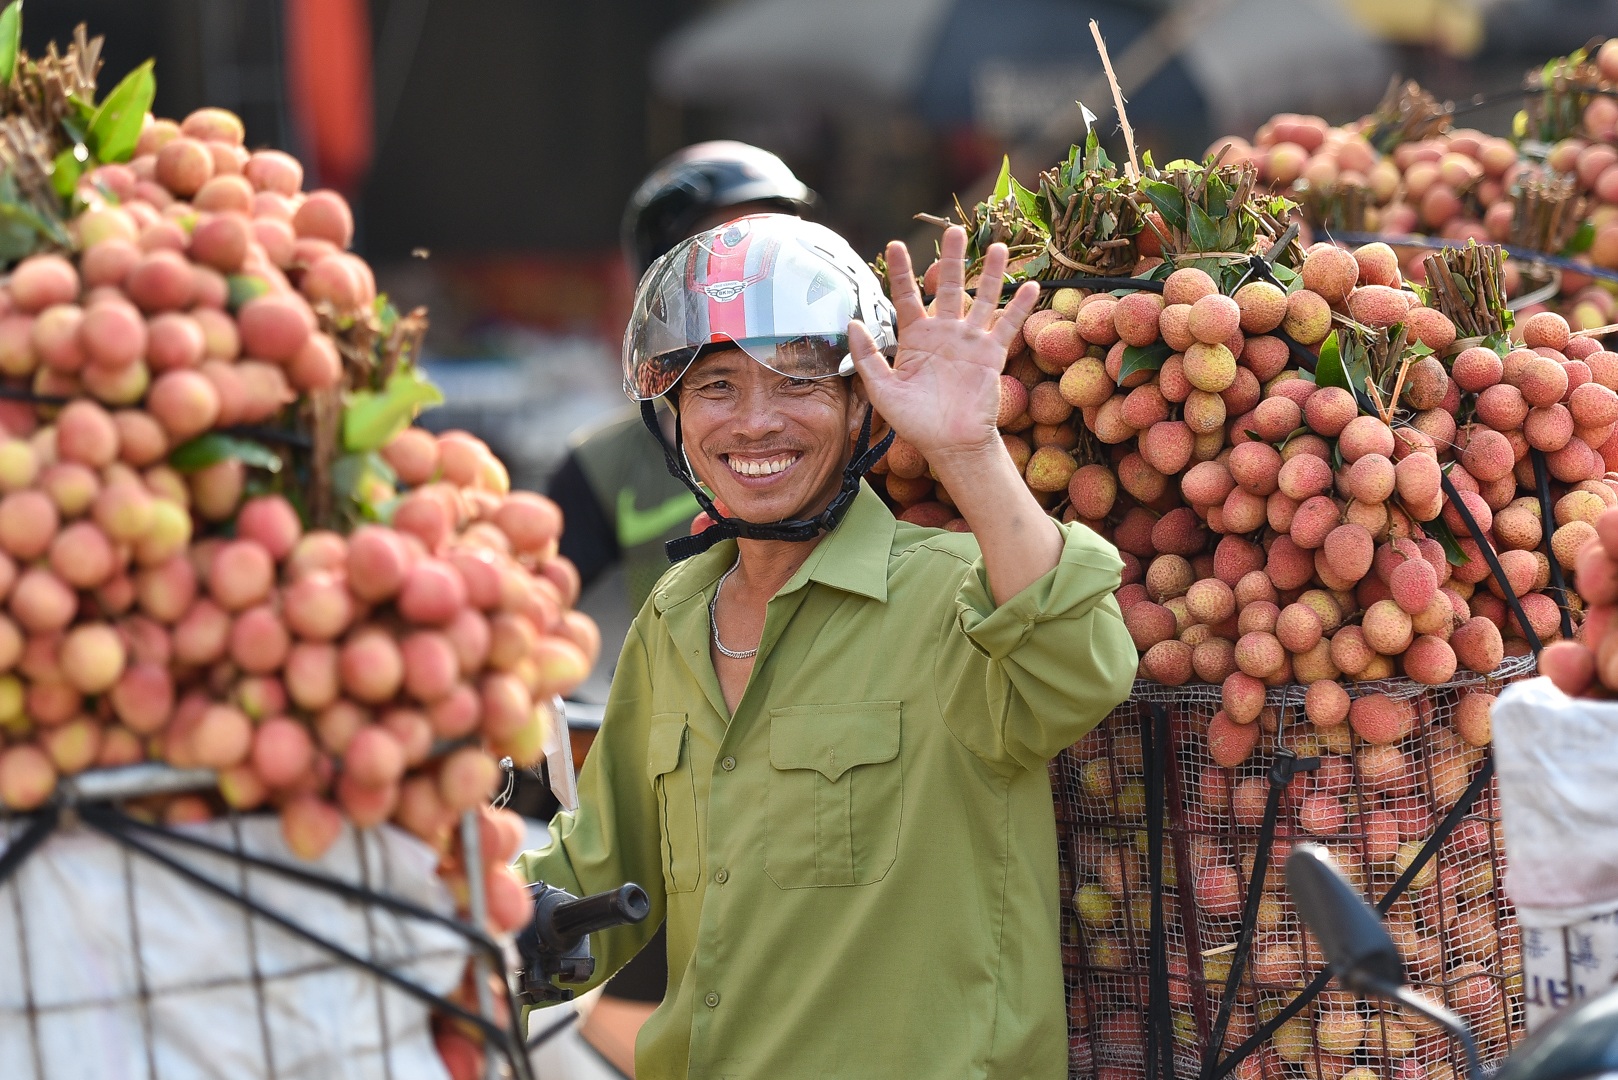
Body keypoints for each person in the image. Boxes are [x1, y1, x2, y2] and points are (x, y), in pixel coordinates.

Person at [517, 214, 1137, 1078]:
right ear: (676, 419)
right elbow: (601, 877)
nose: (756, 421)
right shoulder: (673, 613)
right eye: (717, 387)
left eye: (798, 382)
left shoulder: (954, 593)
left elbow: (1084, 664)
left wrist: (967, 448)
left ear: (858, 408)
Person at [547, 142, 818, 618]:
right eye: (725, 251)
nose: (756, 274)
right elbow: (528, 609)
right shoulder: (605, 467)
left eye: (774, 249)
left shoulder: (865, 435)